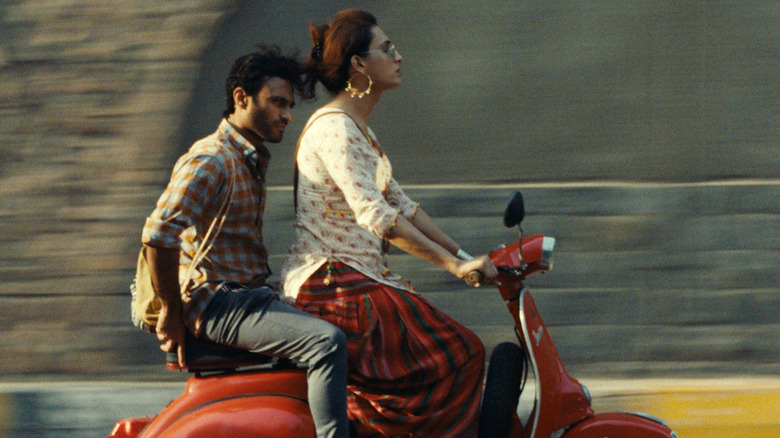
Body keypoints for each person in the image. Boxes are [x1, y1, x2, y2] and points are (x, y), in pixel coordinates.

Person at [281, 10, 499, 438]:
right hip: (332, 284)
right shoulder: (335, 129)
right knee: (461, 352)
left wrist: (465, 257)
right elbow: (377, 216)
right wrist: (454, 267)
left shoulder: (360, 130)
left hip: (356, 279)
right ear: (358, 64)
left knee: (463, 352)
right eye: (387, 49)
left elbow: (405, 207)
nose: (399, 57)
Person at [141, 46, 349, 438]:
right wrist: (170, 309)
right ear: (241, 98)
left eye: (289, 106)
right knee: (326, 343)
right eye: (277, 103)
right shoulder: (212, 158)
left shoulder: (249, 159)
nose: (287, 115)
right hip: (218, 302)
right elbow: (158, 235)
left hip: (249, 295)